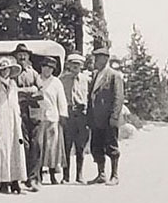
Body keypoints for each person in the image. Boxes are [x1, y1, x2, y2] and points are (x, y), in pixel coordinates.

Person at [0, 56, 28, 194]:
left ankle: (16, 180)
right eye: (3, 70)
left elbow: (15, 102)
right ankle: (3, 181)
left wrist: (18, 116)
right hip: (1, 116)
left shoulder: (13, 84)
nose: (5, 72)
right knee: (2, 149)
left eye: (8, 69)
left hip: (14, 118)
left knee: (16, 148)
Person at [88, 45, 125, 186]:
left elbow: (118, 97)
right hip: (96, 119)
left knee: (112, 146)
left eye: (98, 58)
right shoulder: (96, 75)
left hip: (109, 118)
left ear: (105, 59)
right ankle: (101, 174)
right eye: (95, 58)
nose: (95, 60)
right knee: (96, 146)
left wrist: (114, 116)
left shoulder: (114, 75)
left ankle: (114, 175)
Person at [13, 43, 42, 192]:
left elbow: (40, 91)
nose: (22, 57)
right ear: (15, 56)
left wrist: (26, 92)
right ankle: (22, 177)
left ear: (28, 57)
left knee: (35, 145)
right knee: (24, 145)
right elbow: (14, 91)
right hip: (20, 112)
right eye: (19, 55)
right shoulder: (13, 73)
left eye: (24, 55)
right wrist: (29, 90)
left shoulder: (34, 73)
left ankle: (33, 178)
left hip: (34, 112)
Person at [36, 56, 68, 184]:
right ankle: (37, 175)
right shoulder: (37, 79)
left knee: (52, 148)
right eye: (45, 67)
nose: (47, 70)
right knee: (39, 146)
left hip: (53, 118)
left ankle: (53, 174)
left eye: (50, 68)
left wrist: (62, 115)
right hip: (39, 117)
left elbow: (61, 100)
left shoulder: (56, 82)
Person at [60, 53, 91, 183]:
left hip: (82, 115)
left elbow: (90, 98)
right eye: (72, 64)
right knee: (66, 146)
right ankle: (65, 176)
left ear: (82, 66)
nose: (75, 67)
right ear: (68, 65)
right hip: (68, 114)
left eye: (77, 64)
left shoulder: (86, 80)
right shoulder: (62, 79)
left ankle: (79, 175)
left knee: (80, 146)